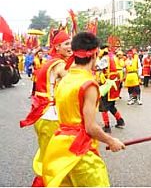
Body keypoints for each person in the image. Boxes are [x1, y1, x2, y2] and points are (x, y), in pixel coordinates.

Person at [42, 32, 125, 187]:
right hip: (80, 149)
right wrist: (111, 141)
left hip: (59, 146)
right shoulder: (88, 84)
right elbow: (90, 127)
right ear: (94, 55)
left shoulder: (65, 79)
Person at [19, 30, 72, 186]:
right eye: (66, 44)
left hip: (42, 116)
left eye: (71, 43)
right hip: (52, 118)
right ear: (57, 47)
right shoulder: (59, 64)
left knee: (46, 158)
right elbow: (73, 82)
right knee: (55, 162)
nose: (70, 47)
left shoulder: (49, 62)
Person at [97, 45, 125, 133]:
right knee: (111, 105)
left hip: (107, 84)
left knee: (103, 105)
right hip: (114, 83)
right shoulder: (113, 57)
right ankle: (120, 120)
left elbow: (97, 67)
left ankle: (107, 126)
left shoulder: (105, 58)